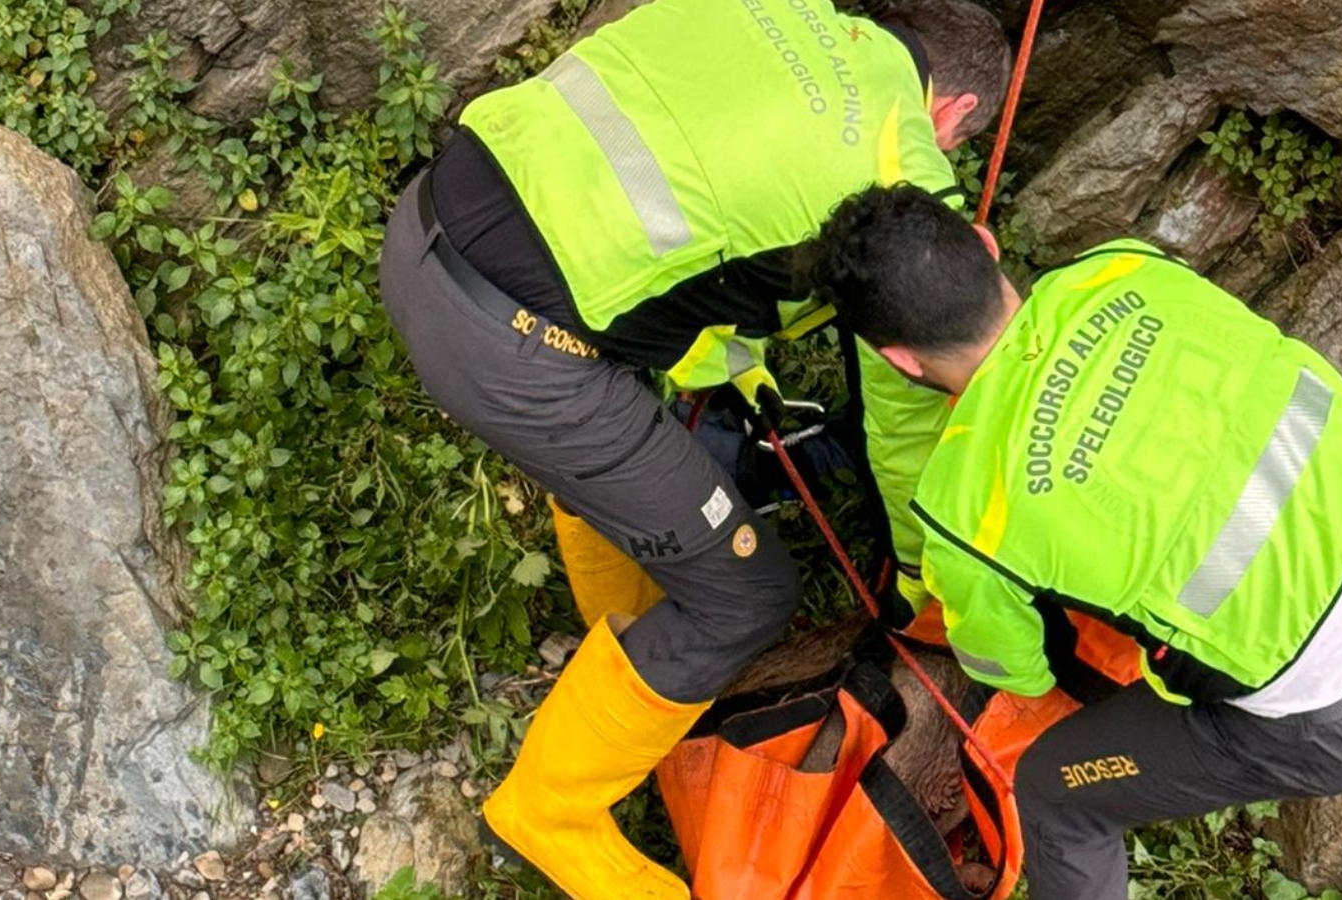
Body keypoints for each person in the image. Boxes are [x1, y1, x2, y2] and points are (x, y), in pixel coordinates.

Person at [378, 0, 1010, 896]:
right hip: (514, 350)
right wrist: (921, 588)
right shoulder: (901, 171)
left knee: (641, 464)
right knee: (750, 596)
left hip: (423, 229)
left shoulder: (776, 17)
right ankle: (548, 810)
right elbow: (911, 428)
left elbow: (694, 217)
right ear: (956, 114)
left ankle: (629, 659)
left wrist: (737, 371)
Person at [807, 182, 1342, 900]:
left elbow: (1015, 673)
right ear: (987, 248)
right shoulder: (1123, 268)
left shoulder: (963, 505)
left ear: (899, 360)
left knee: (1057, 794)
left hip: (1335, 717)